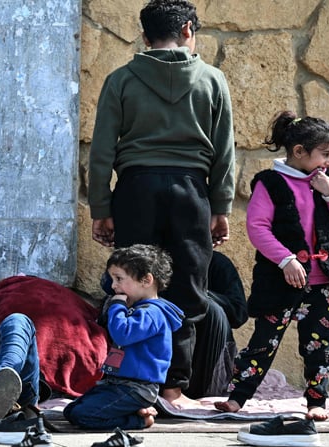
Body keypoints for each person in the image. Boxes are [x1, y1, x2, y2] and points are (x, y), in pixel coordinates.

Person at [86, 0, 236, 408]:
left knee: (133, 285)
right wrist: (220, 207)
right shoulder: (213, 79)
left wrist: (101, 208)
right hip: (191, 191)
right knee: (187, 288)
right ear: (188, 30)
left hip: (136, 190)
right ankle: (174, 390)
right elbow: (224, 152)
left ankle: (133, 385)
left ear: (144, 35)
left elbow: (102, 151)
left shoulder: (121, 79)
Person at [215, 111, 329, 421]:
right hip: (281, 282)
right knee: (263, 342)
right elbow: (258, 227)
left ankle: (316, 401)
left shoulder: (328, 181)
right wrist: (285, 259)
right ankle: (237, 398)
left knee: (322, 345)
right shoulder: (270, 183)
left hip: (323, 283)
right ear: (299, 151)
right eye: (325, 154)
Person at [62, 244, 183, 433]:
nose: (113, 286)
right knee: (70, 411)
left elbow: (123, 334)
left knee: (83, 415)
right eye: (112, 279)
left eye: (119, 279)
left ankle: (139, 420)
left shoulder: (152, 313)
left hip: (136, 388)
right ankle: (136, 412)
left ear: (146, 280)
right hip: (117, 384)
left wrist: (117, 306)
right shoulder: (137, 309)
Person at [185, 250, 248, 398]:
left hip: (208, 354)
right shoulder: (164, 261)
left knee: (211, 309)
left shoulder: (217, 263)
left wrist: (199, 295)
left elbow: (239, 314)